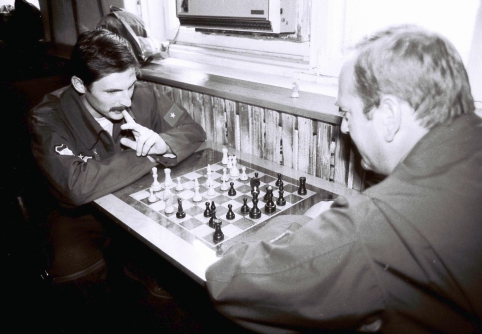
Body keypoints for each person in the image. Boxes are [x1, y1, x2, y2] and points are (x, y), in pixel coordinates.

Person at [205, 24, 482, 333]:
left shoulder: (374, 225)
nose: (345, 129)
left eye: (347, 114)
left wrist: (306, 221)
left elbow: (226, 282)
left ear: (389, 116)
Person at [28, 29, 206, 297]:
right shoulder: (46, 118)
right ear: (79, 85)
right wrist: (151, 155)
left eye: (130, 86)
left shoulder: (145, 96)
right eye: (112, 91)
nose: (125, 101)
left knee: (173, 280)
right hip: (80, 218)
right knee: (75, 271)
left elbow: (193, 131)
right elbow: (76, 186)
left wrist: (164, 142)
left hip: (140, 203)